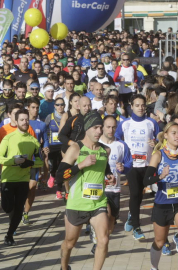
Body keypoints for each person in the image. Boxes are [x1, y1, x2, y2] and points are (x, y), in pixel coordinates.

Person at [56, 111, 115, 270]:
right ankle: (63, 266)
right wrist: (80, 165)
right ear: (87, 128)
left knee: (103, 240)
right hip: (77, 204)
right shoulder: (76, 149)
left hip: (98, 203)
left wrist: (109, 175)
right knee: (70, 243)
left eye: (100, 127)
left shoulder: (105, 150)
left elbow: (105, 168)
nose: (99, 131)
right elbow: (60, 176)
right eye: (96, 127)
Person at [144, 122, 178, 270]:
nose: (177, 136)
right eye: (173, 133)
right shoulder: (158, 155)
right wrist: (160, 176)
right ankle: (154, 267)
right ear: (165, 135)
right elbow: (146, 180)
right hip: (162, 203)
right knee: (159, 242)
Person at [0, 108, 44, 246]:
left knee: (18, 209)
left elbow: (40, 161)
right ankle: (3, 201)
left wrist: (30, 163)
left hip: (23, 180)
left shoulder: (33, 141)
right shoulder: (8, 137)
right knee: (7, 207)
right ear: (16, 121)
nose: (25, 122)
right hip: (8, 178)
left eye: (26, 119)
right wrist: (13, 162)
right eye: (22, 120)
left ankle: (9, 235)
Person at [115, 94, 160, 240]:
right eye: (137, 105)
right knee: (134, 194)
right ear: (131, 106)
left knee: (140, 194)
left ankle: (131, 216)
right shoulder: (125, 123)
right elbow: (116, 138)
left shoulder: (151, 122)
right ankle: (137, 227)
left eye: (142, 105)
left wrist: (156, 142)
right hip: (131, 164)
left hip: (147, 164)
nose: (140, 108)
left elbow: (160, 138)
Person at [99, 116, 132, 235]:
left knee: (112, 218)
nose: (110, 130)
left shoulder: (121, 145)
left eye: (113, 127)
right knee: (104, 214)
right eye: (108, 127)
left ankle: (104, 240)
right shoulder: (96, 144)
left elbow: (129, 163)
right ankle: (99, 240)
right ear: (102, 127)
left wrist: (123, 168)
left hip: (114, 188)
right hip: (99, 188)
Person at [45, 97, 65, 199]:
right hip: (52, 145)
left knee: (62, 167)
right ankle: (52, 175)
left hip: (63, 145)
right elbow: (45, 130)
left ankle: (59, 190)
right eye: (57, 105)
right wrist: (44, 144)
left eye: (62, 104)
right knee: (54, 165)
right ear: (54, 106)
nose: (60, 106)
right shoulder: (50, 117)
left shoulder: (67, 116)